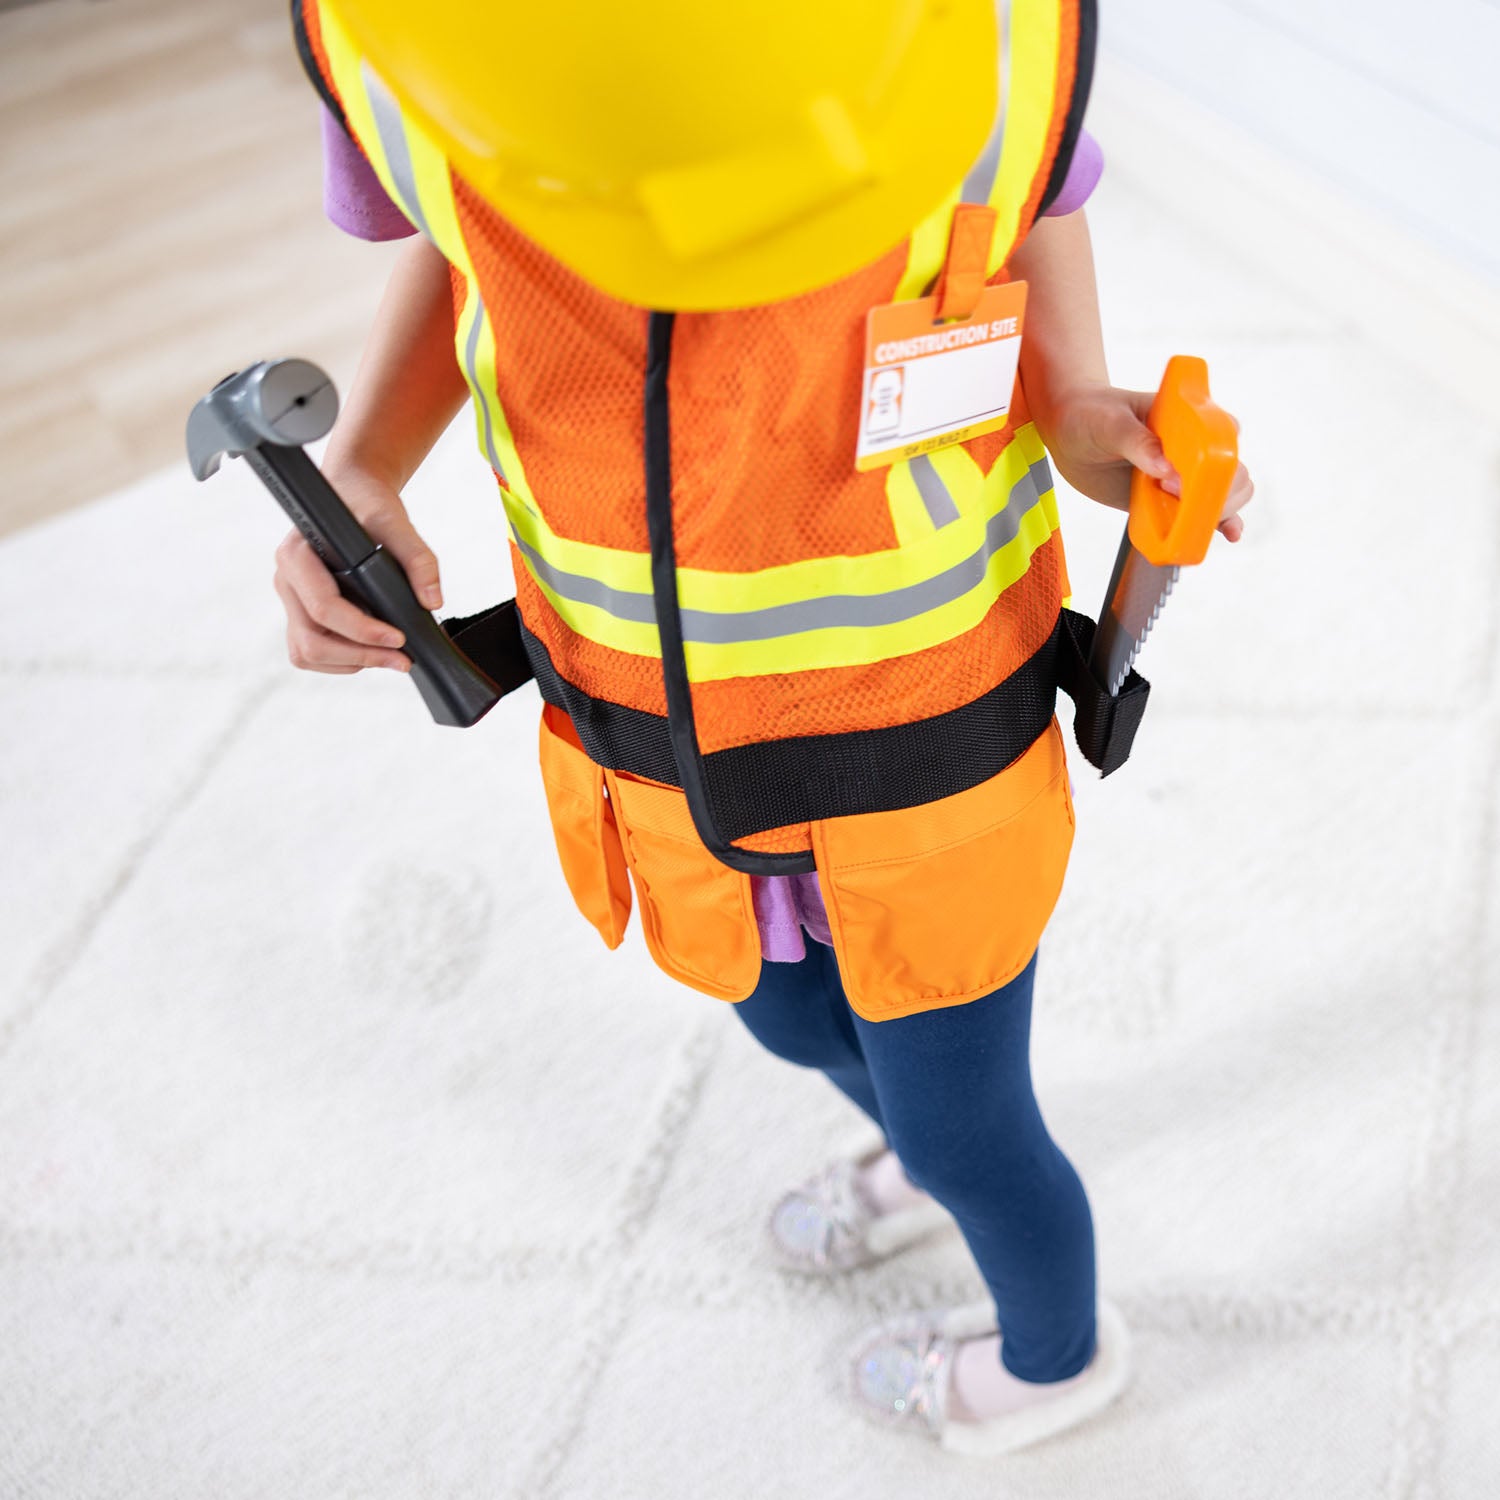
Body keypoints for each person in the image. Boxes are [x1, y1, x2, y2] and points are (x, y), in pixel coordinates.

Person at [273, 0, 1254, 1455]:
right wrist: (363, 462)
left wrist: (1075, 404)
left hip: (925, 737)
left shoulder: (986, 34)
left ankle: (1055, 1357)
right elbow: (464, 236)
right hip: (659, 735)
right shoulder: (404, 34)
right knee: (785, 1015)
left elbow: (1023, 186)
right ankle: (913, 1148)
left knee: (970, 1121)